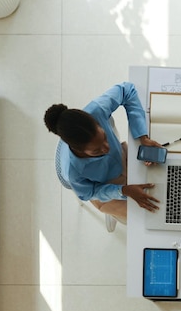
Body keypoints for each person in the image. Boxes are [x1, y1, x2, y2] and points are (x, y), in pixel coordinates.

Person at [44, 82, 162, 223]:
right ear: (79, 150)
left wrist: (143, 137)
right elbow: (91, 193)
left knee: (162, 180)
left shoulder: (96, 111)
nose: (107, 148)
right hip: (106, 190)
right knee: (148, 219)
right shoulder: (74, 172)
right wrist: (123, 190)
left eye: (105, 137)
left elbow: (127, 90)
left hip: (122, 158)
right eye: (96, 150)